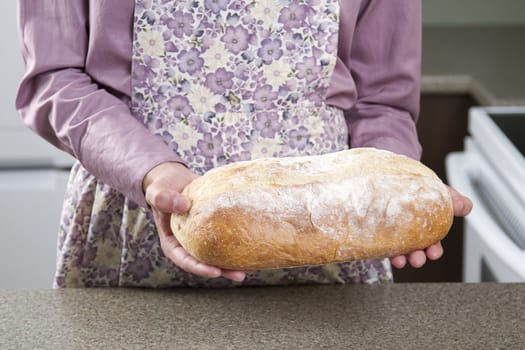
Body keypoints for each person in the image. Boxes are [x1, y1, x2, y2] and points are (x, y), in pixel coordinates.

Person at [16, 0, 472, 288]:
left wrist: (390, 192)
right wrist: (152, 172)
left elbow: (381, 100)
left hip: (336, 234)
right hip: (133, 219)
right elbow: (55, 80)